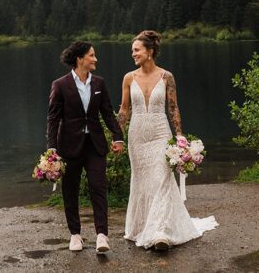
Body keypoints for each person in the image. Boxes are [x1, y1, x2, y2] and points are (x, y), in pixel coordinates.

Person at [118, 30, 217, 250]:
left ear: (149, 51)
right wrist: (117, 137)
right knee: (142, 182)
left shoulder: (166, 77)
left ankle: (161, 232)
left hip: (160, 134)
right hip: (137, 137)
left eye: (136, 50)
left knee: (162, 180)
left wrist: (180, 137)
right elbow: (124, 110)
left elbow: (173, 107)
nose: (133, 54)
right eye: (132, 51)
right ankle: (142, 227)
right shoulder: (128, 77)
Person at [46, 40, 125, 254]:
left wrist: (118, 137)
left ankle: (102, 235)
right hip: (68, 147)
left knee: (98, 187)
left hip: (95, 145)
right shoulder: (60, 85)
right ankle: (75, 235)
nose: (95, 59)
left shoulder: (99, 83)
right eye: (91, 55)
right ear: (80, 59)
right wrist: (51, 148)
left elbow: (107, 113)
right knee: (69, 190)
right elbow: (53, 119)